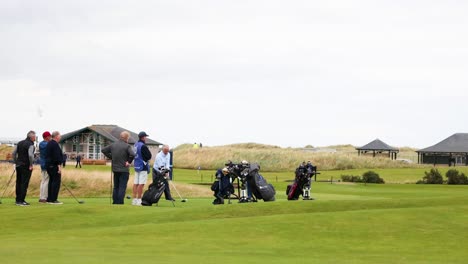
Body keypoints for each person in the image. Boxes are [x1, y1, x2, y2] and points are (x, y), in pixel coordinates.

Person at [102, 131, 135, 205]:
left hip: (115, 169)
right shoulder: (127, 146)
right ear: (126, 138)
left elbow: (103, 150)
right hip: (124, 170)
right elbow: (132, 154)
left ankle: (115, 202)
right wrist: (129, 162)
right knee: (122, 187)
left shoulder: (113, 145)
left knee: (116, 187)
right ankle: (120, 202)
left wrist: (112, 157)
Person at [12, 131, 36, 206]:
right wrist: (31, 165)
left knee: (18, 182)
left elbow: (13, 153)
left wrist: (16, 162)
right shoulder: (31, 144)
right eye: (34, 136)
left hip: (19, 165)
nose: (35, 138)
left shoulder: (20, 143)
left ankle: (17, 200)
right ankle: (21, 200)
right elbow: (31, 155)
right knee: (24, 183)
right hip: (26, 166)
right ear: (31, 137)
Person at [132, 131, 152, 206]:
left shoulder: (135, 145)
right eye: (145, 137)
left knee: (135, 183)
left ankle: (134, 200)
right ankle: (139, 200)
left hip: (136, 165)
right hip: (143, 166)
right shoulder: (143, 146)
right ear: (143, 137)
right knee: (141, 184)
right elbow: (149, 156)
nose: (146, 138)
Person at [46, 131, 64, 205]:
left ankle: (50, 198)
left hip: (49, 165)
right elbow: (57, 157)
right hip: (54, 165)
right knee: (56, 182)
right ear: (56, 136)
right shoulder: (55, 144)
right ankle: (53, 199)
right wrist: (59, 167)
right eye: (59, 136)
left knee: (51, 181)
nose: (60, 137)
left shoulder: (49, 143)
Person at [38, 131, 51, 203]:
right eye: (49, 136)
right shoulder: (47, 144)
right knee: (46, 181)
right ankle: (44, 197)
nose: (50, 137)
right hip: (46, 164)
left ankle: (41, 196)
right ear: (47, 137)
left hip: (42, 164)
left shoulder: (41, 144)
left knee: (43, 181)